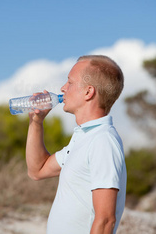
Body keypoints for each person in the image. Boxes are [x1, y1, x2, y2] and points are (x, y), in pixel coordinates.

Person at [25, 55, 127, 234]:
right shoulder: (84, 137)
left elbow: (105, 220)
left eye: (70, 82)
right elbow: (37, 170)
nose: (63, 88)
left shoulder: (102, 141)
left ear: (88, 92)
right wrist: (36, 122)